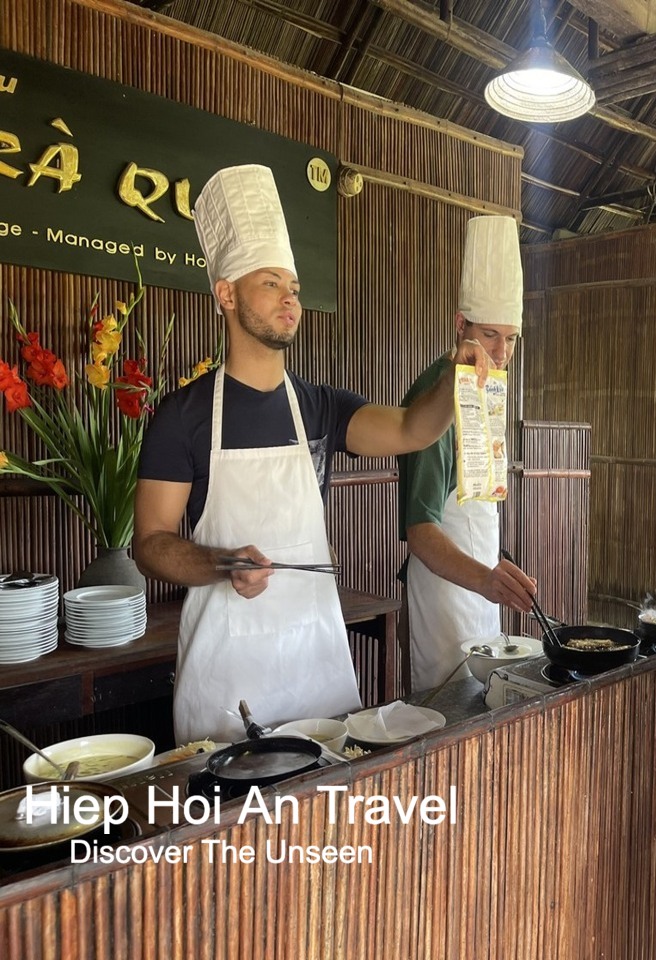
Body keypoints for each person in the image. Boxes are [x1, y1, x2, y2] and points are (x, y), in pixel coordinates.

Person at [134, 165, 491, 743]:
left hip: (316, 663)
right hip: (229, 680)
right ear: (226, 294)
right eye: (271, 283)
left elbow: (411, 430)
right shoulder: (183, 416)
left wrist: (457, 374)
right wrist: (221, 564)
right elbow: (150, 543)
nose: (289, 299)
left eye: (294, 288)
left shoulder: (319, 407)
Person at [398, 215, 536, 692]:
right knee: (449, 709)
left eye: (511, 338)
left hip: (481, 588)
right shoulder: (437, 396)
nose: (501, 352)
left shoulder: (487, 390)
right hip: (445, 597)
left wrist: (492, 577)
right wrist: (485, 580)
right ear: (461, 325)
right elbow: (421, 532)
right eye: (490, 335)